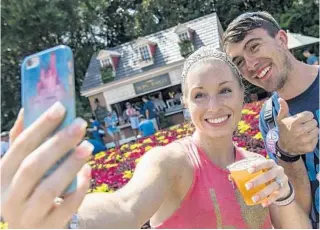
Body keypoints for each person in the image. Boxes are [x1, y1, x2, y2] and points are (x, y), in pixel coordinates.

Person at [1, 47, 311, 229]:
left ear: (243, 95)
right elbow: (125, 206)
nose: (214, 106)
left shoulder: (257, 165)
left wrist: (283, 195)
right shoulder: (172, 162)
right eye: (199, 95)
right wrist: (63, 218)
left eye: (226, 90)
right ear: (185, 103)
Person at [223, 11, 319, 228]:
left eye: (254, 46)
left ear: (282, 40)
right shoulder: (268, 118)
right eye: (239, 61)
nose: (250, 64)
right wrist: (287, 153)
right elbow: (298, 209)